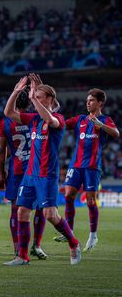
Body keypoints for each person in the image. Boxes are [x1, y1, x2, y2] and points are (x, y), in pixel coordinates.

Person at [3, 74, 81, 266]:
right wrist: (16, 92)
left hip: (47, 175)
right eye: (35, 96)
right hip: (30, 174)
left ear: (50, 99)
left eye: (40, 97)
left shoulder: (58, 120)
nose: (35, 99)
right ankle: (22, 256)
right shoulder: (33, 119)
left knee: (50, 215)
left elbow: (50, 117)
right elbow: (8, 113)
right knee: (22, 211)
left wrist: (32, 98)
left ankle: (73, 242)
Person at [54, 88, 120, 251]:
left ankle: (93, 235)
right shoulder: (80, 119)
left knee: (90, 200)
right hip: (75, 165)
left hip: (92, 167)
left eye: (91, 100)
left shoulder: (105, 119)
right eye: (87, 100)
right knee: (68, 195)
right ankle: (68, 231)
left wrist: (100, 124)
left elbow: (116, 133)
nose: (87, 103)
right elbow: (61, 124)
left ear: (100, 103)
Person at [0, 89, 47, 259]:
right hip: (35, 168)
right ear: (29, 103)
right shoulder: (35, 118)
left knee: (15, 209)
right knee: (41, 206)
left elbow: (1, 151)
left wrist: (1, 174)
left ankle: (17, 248)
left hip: (16, 170)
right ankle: (36, 245)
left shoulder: (5, 122)